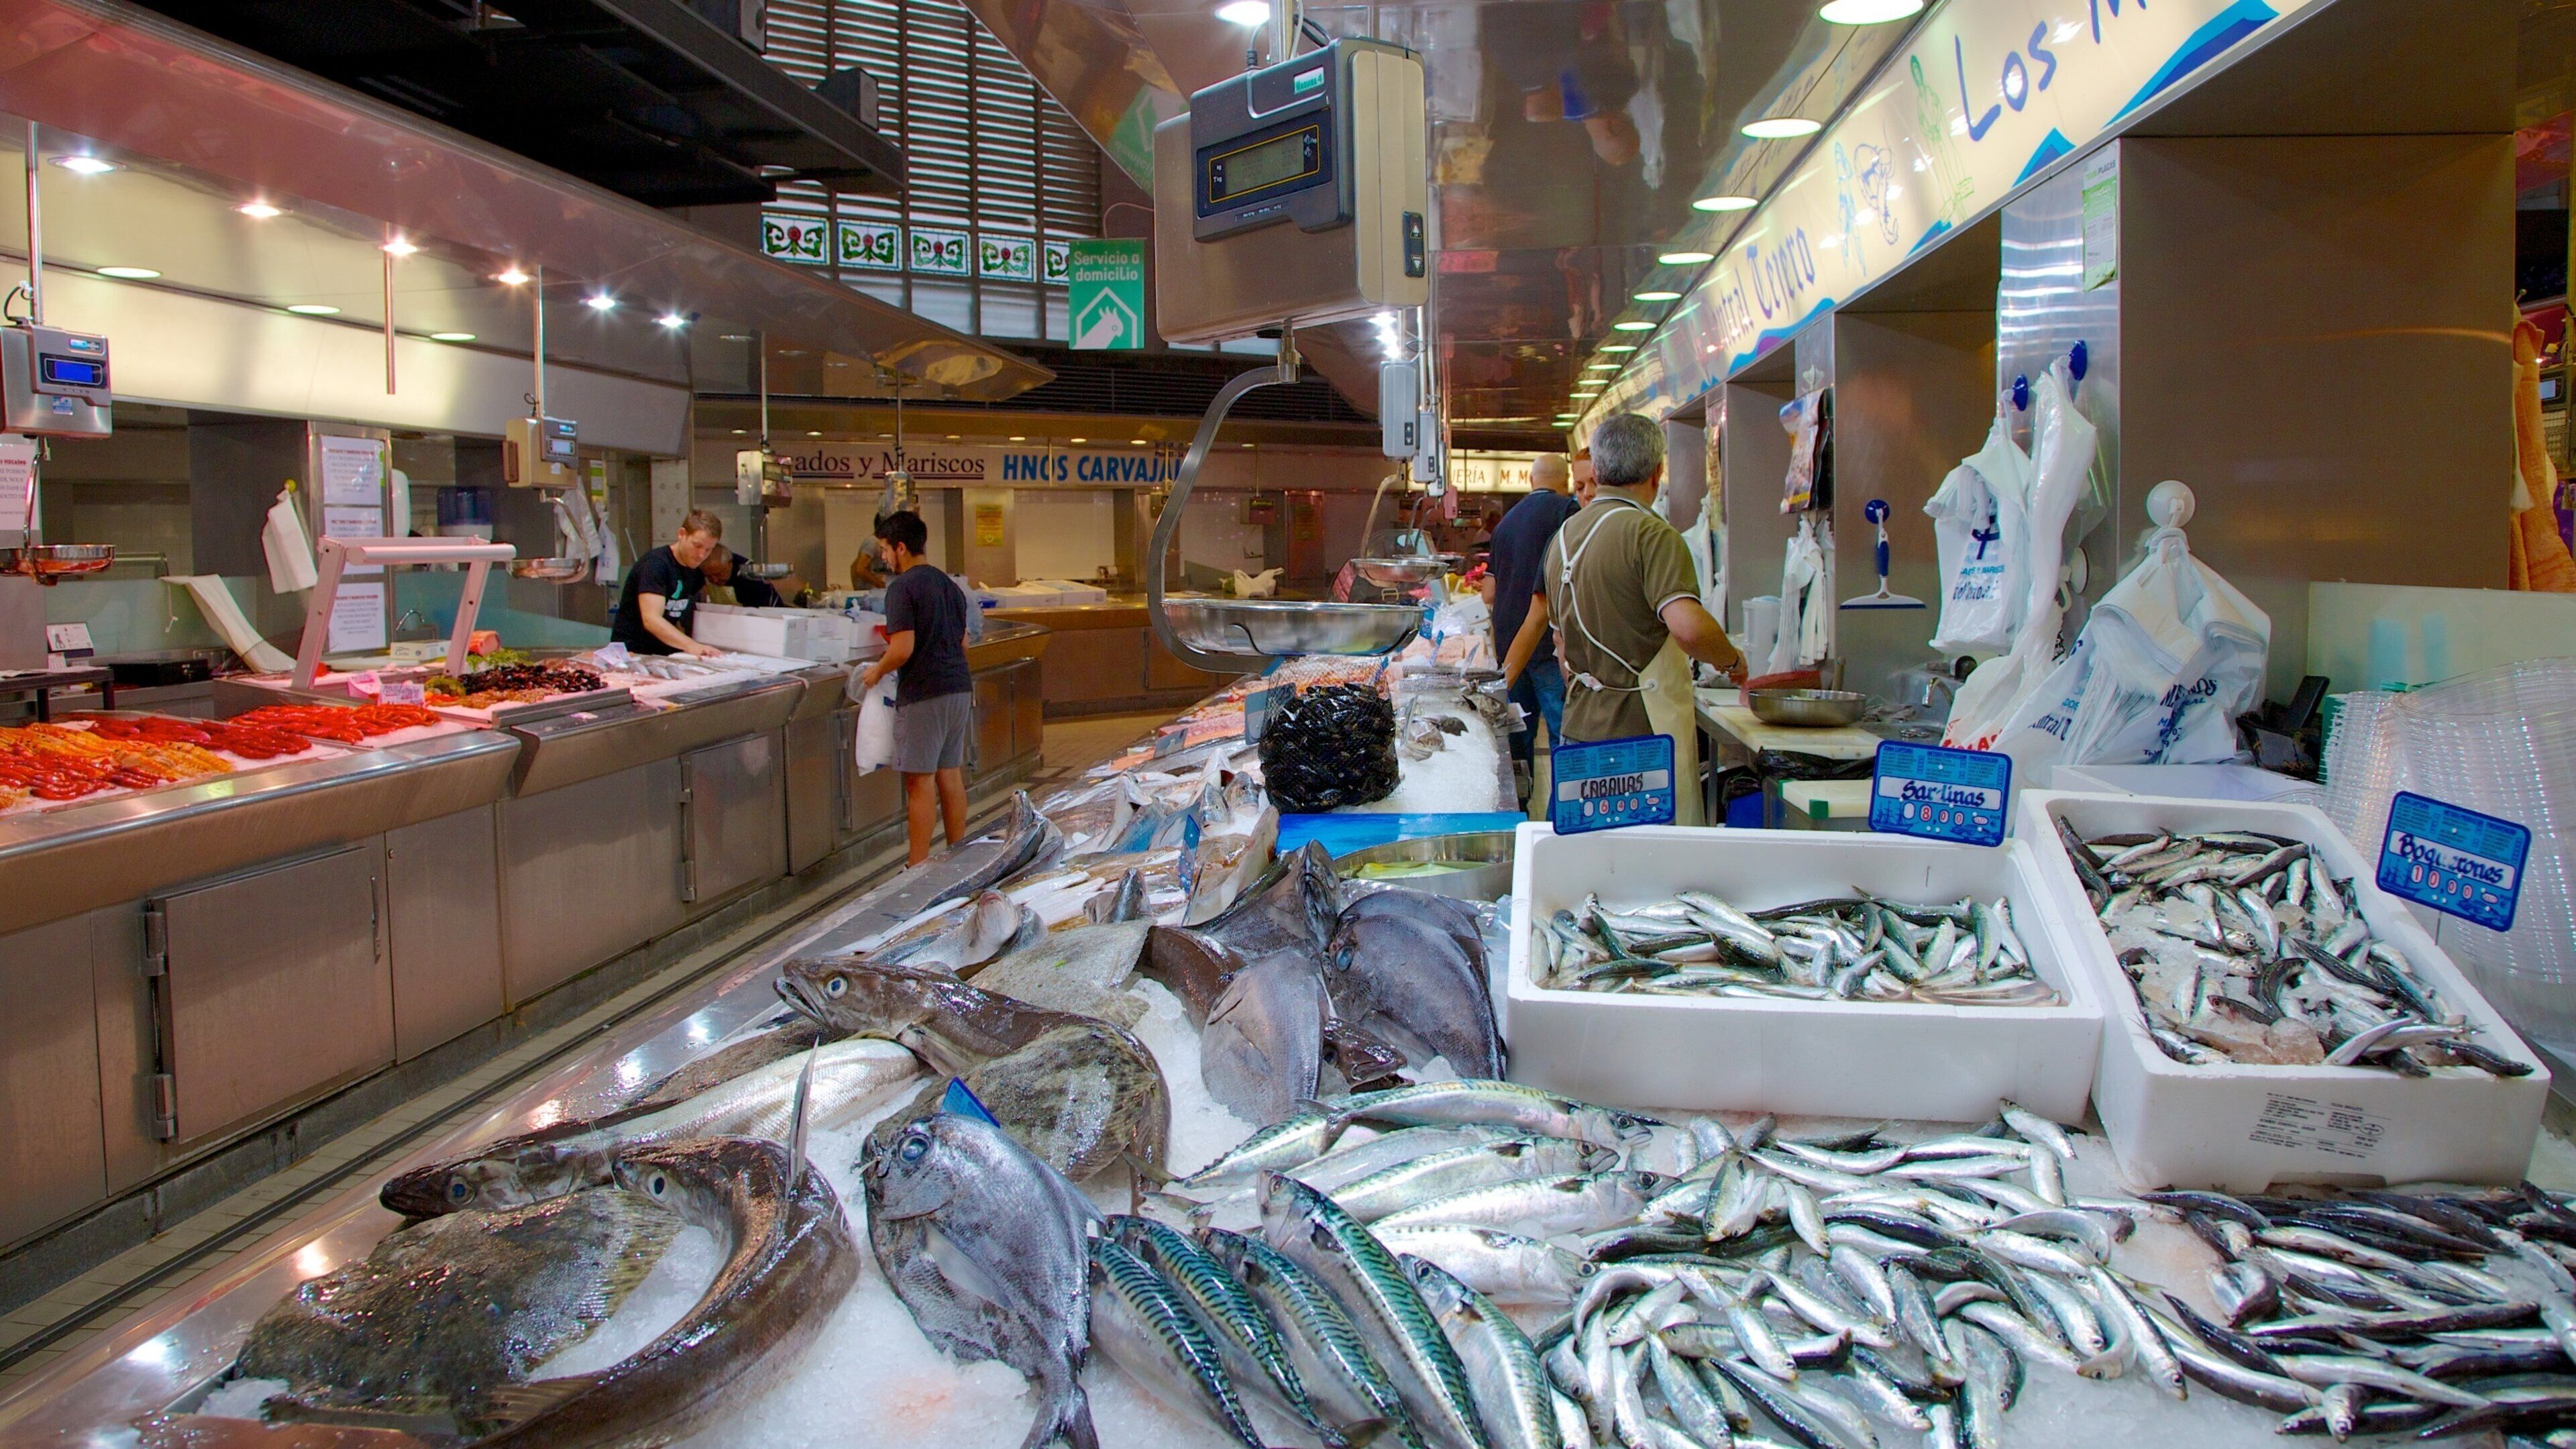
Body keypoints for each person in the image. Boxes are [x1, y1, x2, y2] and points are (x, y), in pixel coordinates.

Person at [1501, 414, 1742, 825]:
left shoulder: (1563, 538)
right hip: (1642, 739)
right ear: (1657, 472)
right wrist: (1733, 661)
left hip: (1580, 727)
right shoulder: (1653, 535)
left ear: (1598, 470)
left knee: (1592, 857)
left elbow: (1560, 646)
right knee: (1650, 868)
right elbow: (1687, 626)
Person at [858, 511, 973, 865]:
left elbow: (902, 649)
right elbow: (964, 642)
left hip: (925, 693)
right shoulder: (948, 585)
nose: (882, 557)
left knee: (919, 782)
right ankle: (957, 856)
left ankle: (917, 867)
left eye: (884, 549)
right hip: (958, 689)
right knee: (949, 774)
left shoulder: (902, 588)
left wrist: (876, 672)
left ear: (901, 547)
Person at [1487, 453, 1581, 798]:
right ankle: (1563, 821)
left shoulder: (1505, 522)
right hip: (1547, 645)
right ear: (1567, 481)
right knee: (1563, 739)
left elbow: (1488, 592)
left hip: (1510, 647)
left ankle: (1520, 815)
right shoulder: (1567, 512)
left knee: (1517, 741)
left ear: (1530, 480)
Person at [610, 509, 722, 657]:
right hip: (633, 653)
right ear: (682, 534)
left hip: (663, 654)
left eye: (709, 550)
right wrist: (691, 645)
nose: (702, 555)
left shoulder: (695, 571)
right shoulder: (656, 565)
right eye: (697, 546)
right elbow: (651, 619)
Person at [700, 546, 785, 608]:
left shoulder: (752, 577)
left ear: (730, 564)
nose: (714, 580)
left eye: (719, 574)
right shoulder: (699, 570)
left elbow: (759, 615)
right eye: (709, 576)